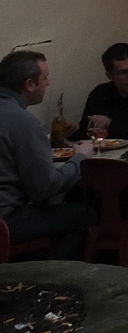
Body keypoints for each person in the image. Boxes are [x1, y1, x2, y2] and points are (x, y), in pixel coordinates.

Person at [0, 51, 93, 259]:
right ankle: (57, 282)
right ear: (30, 84)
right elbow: (44, 187)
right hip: (6, 222)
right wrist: (80, 158)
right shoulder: (24, 121)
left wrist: (50, 144)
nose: (48, 83)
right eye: (45, 77)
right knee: (81, 215)